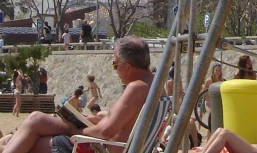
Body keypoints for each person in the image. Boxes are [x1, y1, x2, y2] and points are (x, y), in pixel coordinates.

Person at [4, 36, 155, 153]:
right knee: (33, 128)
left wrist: (76, 130)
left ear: (127, 67)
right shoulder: (154, 85)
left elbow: (105, 132)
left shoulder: (136, 88)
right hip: (112, 144)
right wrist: (93, 120)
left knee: (34, 125)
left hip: (101, 148)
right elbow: (120, 124)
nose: (115, 69)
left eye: (115, 65)